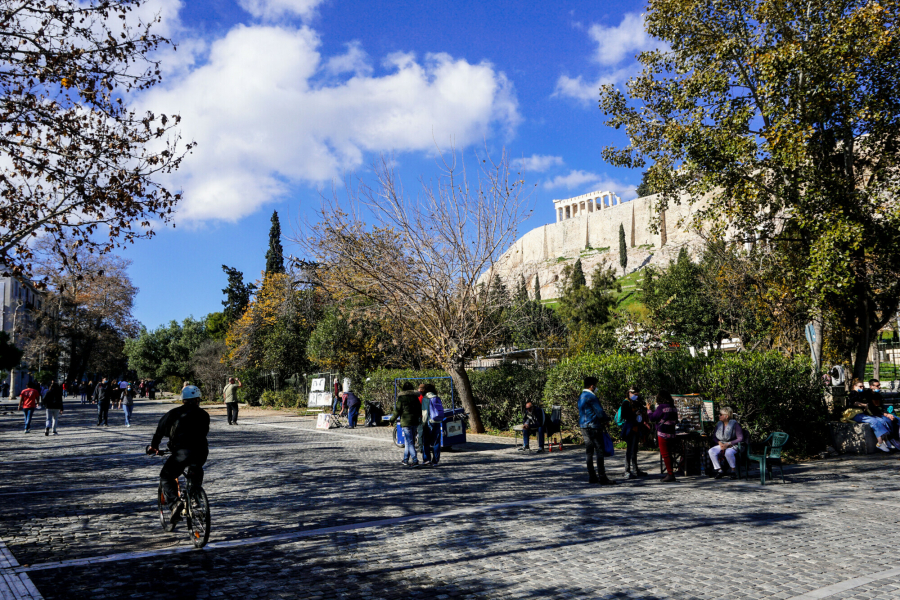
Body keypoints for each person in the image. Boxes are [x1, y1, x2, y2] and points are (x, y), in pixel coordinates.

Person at [146, 385, 210, 524]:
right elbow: (203, 433)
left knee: (166, 476)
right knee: (196, 468)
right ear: (198, 400)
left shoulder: (173, 413)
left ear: (183, 400)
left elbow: (159, 431)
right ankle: (195, 496)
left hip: (182, 452)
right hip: (201, 452)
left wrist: (154, 447)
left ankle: (175, 504)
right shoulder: (204, 415)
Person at [578, 377, 617, 485]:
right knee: (599, 451)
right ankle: (602, 476)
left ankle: (592, 476)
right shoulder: (591, 396)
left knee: (589, 452)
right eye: (595, 385)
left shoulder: (581, 396)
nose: (596, 387)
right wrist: (606, 420)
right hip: (594, 425)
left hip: (583, 426)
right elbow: (599, 411)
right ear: (591, 386)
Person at [848, 378, 900, 452]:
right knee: (880, 421)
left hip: (874, 413)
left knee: (895, 419)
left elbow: (880, 406)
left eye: (863, 386)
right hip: (859, 414)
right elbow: (855, 403)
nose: (879, 387)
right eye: (860, 386)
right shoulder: (856, 394)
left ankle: (887, 440)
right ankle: (883, 442)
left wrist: (888, 414)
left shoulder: (876, 395)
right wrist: (864, 405)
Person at [647, 390, 679, 482]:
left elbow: (653, 418)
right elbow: (676, 420)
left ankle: (670, 473)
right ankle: (670, 472)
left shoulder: (661, 407)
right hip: (672, 433)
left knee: (665, 454)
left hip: (663, 433)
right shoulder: (673, 407)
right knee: (670, 453)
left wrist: (649, 410)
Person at [708, 406, 746, 479]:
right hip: (722, 443)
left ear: (726, 416)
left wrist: (728, 444)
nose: (719, 416)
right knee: (711, 451)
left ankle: (733, 471)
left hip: (733, 444)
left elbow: (740, 438)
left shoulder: (735, 424)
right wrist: (719, 443)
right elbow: (714, 437)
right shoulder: (719, 424)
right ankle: (719, 470)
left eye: (720, 414)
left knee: (728, 452)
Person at [389, 382, 422, 467]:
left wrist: (392, 420)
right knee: (408, 441)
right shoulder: (415, 397)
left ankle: (415, 460)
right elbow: (419, 409)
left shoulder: (402, 398)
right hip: (414, 421)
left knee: (410, 442)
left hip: (406, 422)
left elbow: (398, 410)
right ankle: (405, 459)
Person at [619, 387, 649, 479]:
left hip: (636, 428)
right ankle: (627, 471)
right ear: (629, 393)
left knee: (634, 450)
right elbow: (624, 415)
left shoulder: (635, 402)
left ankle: (635, 470)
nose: (636, 396)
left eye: (637, 395)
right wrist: (634, 414)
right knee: (629, 450)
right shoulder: (626, 402)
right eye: (635, 394)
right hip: (629, 429)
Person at [421, 384, 445, 466]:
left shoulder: (426, 399)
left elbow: (425, 413)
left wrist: (423, 423)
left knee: (426, 442)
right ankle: (435, 461)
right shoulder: (437, 398)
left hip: (429, 422)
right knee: (436, 442)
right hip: (437, 421)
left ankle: (426, 459)